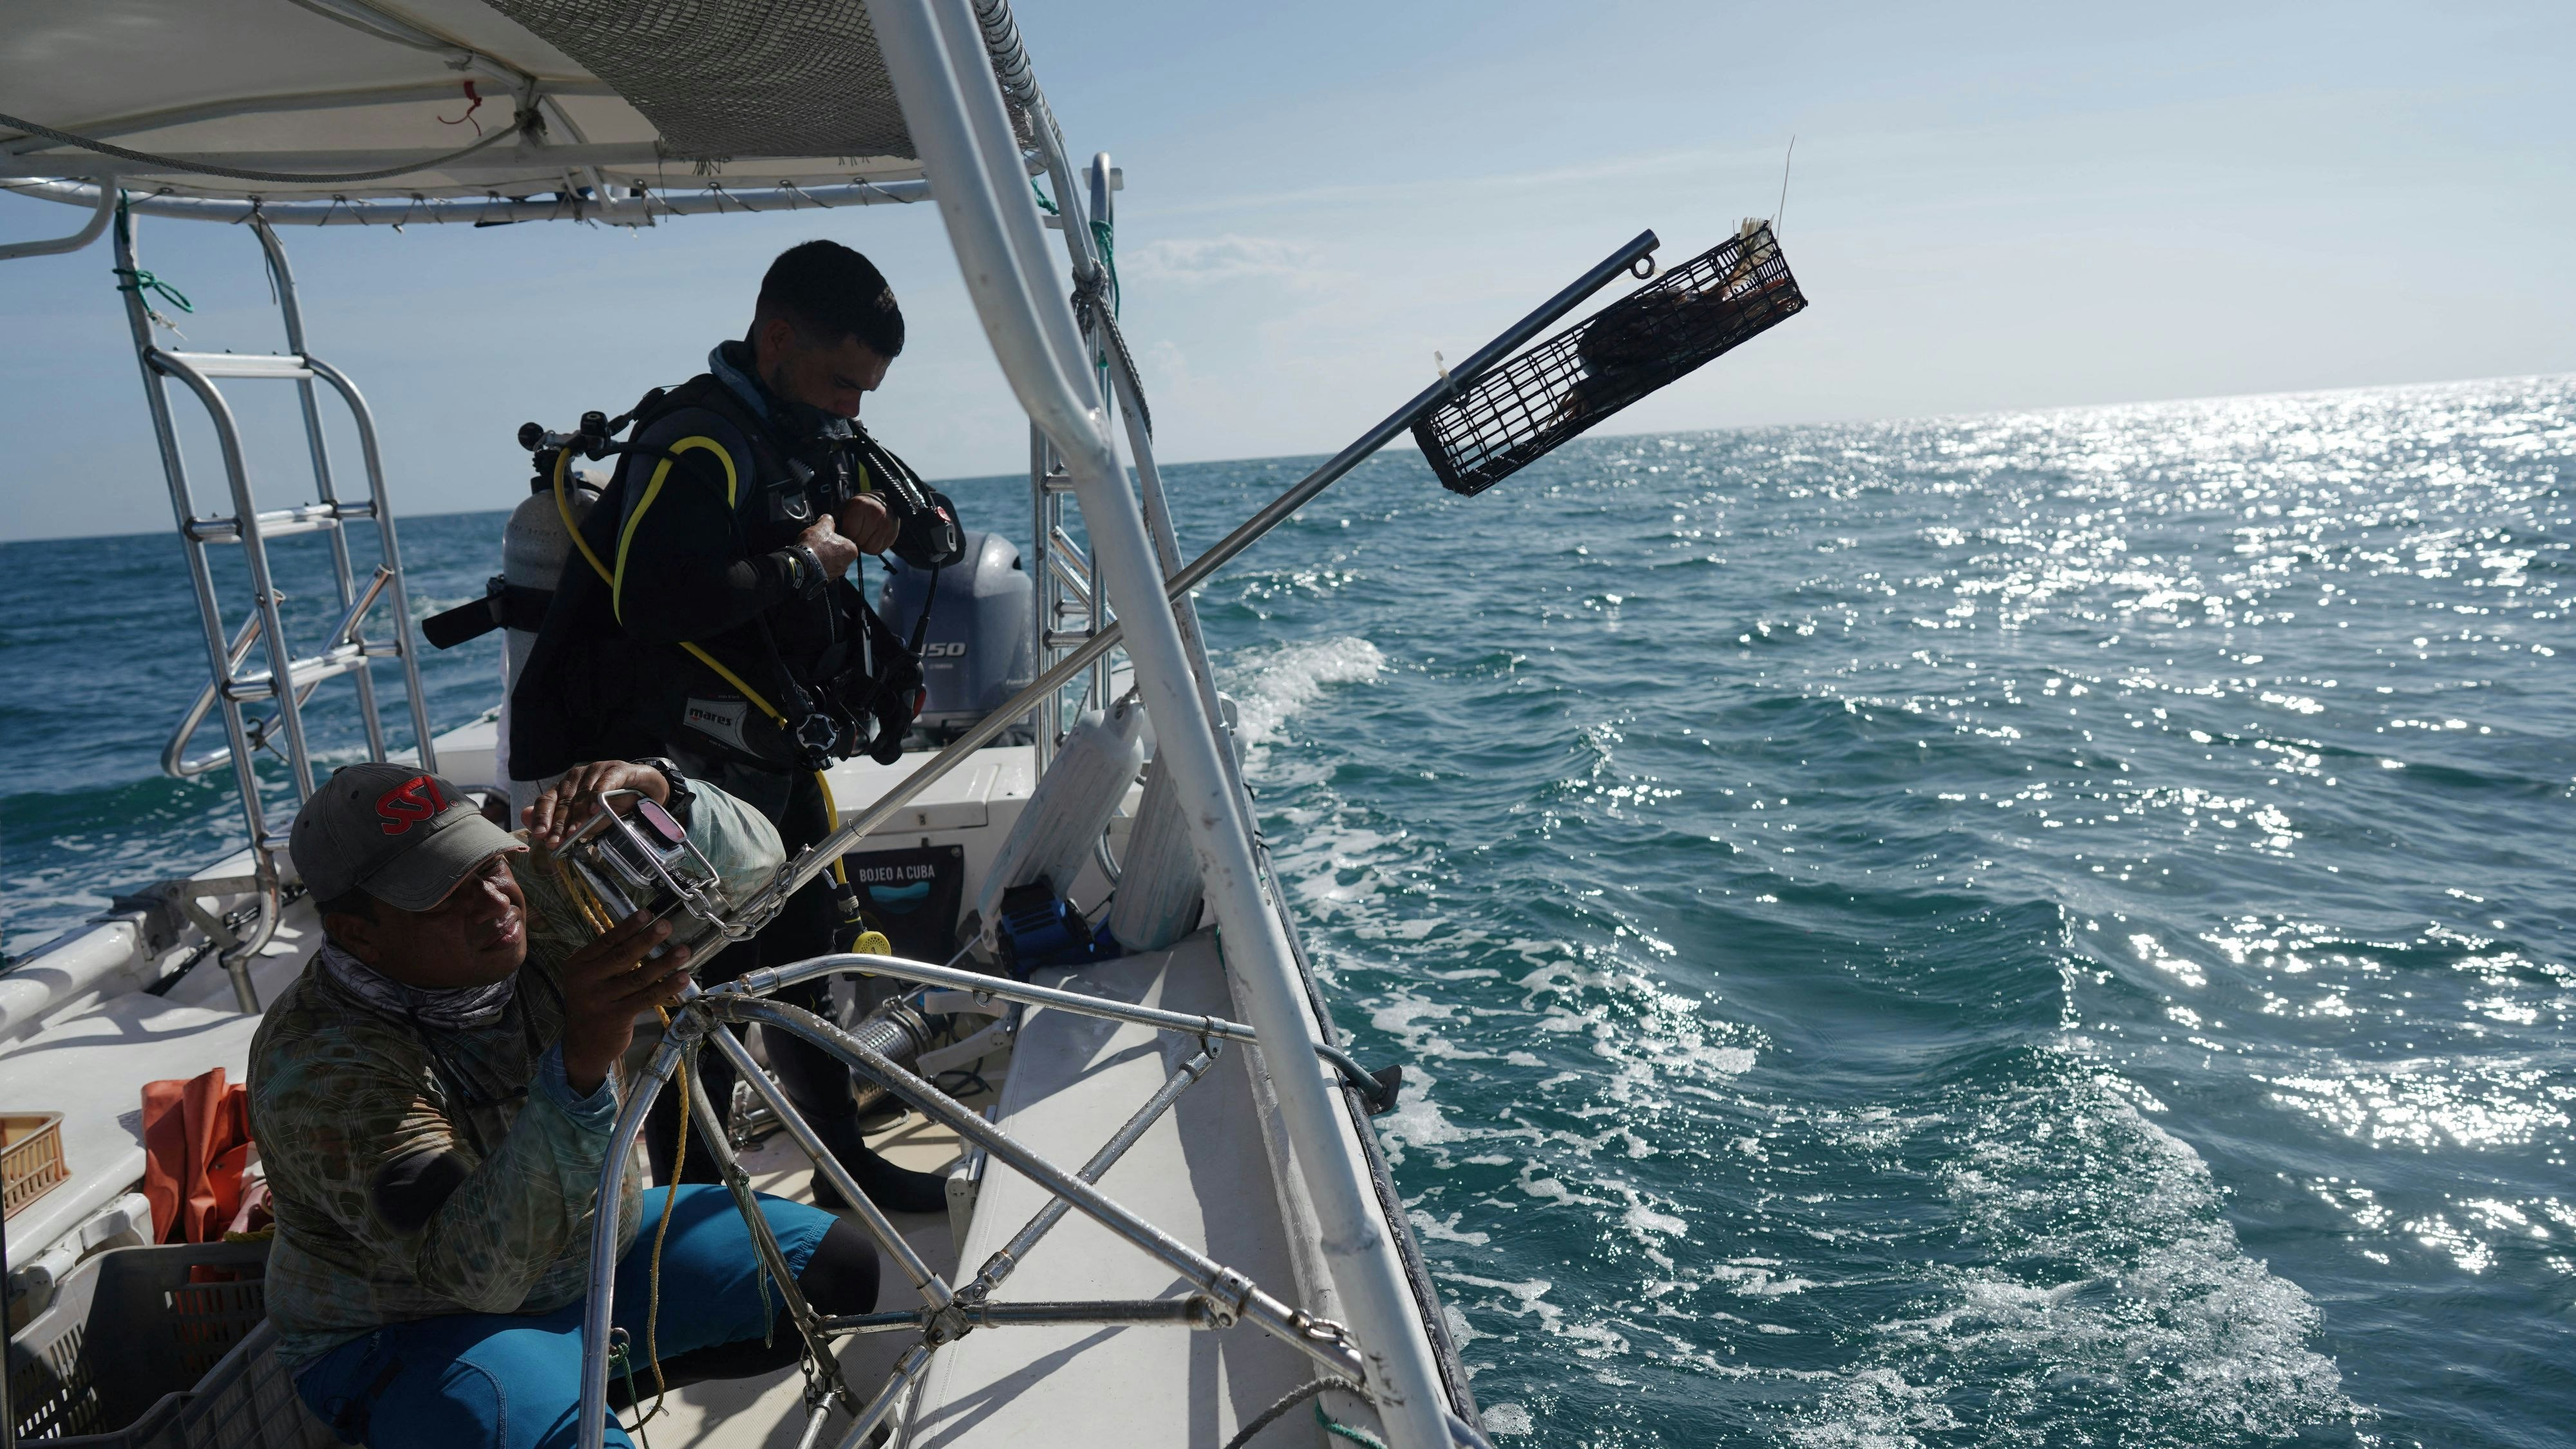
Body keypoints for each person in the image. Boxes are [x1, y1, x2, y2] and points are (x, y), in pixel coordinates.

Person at [509, 240, 967, 1213]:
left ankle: (842, 1169)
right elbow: (652, 603)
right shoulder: (699, 441)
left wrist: (881, 519)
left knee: (803, 974)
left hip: (772, 754)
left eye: (870, 389)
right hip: (667, 774)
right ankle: (703, 1216)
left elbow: (939, 534)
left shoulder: (815, 430)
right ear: (775, 335)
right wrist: (811, 559)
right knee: (695, 999)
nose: (855, 404)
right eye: (843, 379)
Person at [251, 760, 882, 1449]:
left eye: (487, 863)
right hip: (416, 1325)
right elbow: (479, 1274)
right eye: (443, 896)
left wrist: (664, 794)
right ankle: (501, 1405)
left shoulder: (537, 896)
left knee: (831, 1274)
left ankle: (569, 1388)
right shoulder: (321, 1066)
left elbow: (759, 878)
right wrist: (578, 1068)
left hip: (592, 1257)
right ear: (356, 933)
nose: (497, 902)